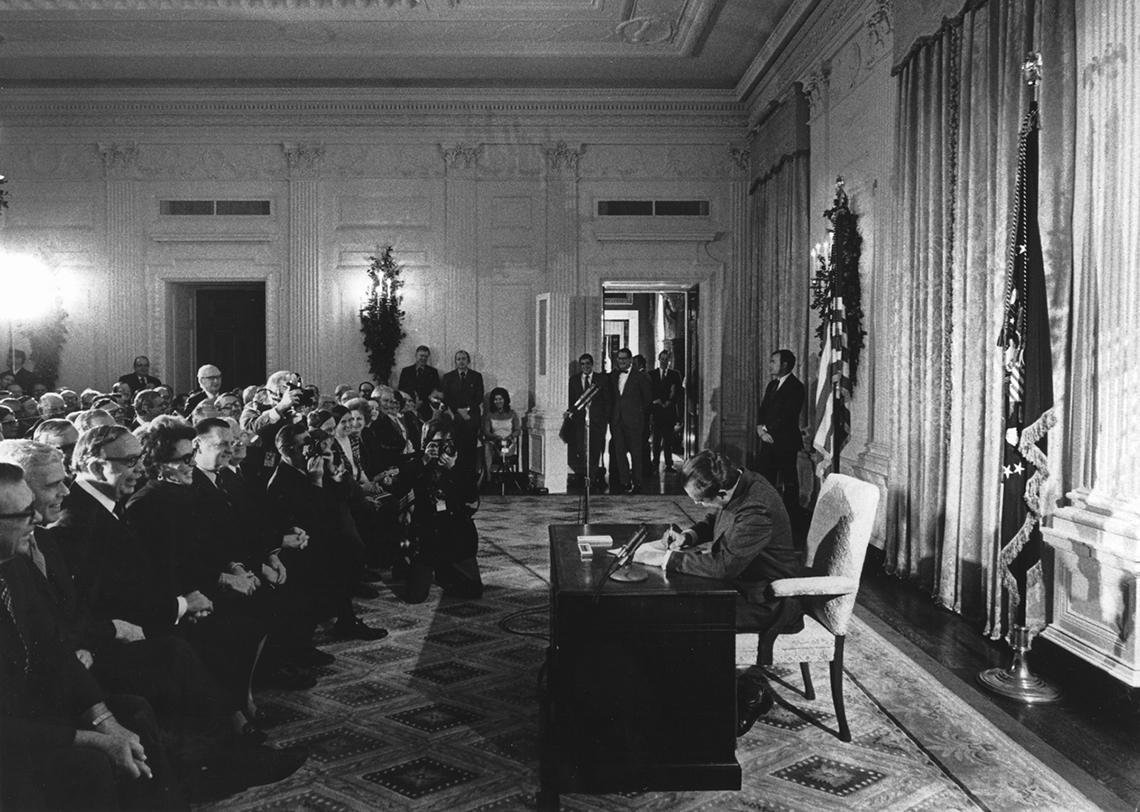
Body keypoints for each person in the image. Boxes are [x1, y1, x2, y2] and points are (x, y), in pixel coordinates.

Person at [0, 462, 186, 811]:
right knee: (91, 764)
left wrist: (107, 723)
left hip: (33, 718)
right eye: (25, 513)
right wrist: (91, 738)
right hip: (10, 742)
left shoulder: (13, 566)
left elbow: (55, 649)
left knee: (129, 717)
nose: (37, 519)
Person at [633, 451, 806, 736]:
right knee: (676, 607)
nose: (698, 505)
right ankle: (685, 694)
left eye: (700, 500)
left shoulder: (757, 507)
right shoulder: (739, 482)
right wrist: (688, 536)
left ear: (722, 492)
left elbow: (723, 566)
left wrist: (664, 559)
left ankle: (748, 694)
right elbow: (718, 517)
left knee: (689, 618)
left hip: (768, 598)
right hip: (744, 583)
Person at [401, 416, 483, 603]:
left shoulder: (459, 463)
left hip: (454, 530)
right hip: (426, 532)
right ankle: (413, 566)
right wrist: (424, 461)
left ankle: (445, 569)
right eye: (436, 443)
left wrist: (452, 469)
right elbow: (402, 486)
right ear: (426, 442)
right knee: (415, 597)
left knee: (472, 591)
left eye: (447, 442)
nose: (442, 448)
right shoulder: (418, 462)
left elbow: (470, 497)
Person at [755, 349, 806, 507]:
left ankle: (790, 515)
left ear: (784, 365)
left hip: (785, 441)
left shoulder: (796, 387)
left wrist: (766, 430)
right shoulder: (772, 385)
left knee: (789, 481)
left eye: (773, 361)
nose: (770, 365)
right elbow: (763, 409)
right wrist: (760, 428)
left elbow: (787, 416)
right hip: (767, 439)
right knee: (765, 479)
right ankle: (767, 511)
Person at [439, 349, 484, 497]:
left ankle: (470, 492)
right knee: (456, 455)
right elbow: (446, 397)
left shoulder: (476, 377)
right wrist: (458, 410)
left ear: (468, 361)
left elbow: (478, 397)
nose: (461, 361)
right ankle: (456, 490)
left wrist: (467, 410)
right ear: (455, 361)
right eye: (458, 359)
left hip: (471, 420)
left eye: (464, 358)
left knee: (470, 456)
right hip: (455, 421)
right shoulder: (448, 377)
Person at [609, 347, 652, 494]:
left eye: (624, 359)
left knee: (636, 453)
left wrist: (636, 414)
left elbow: (647, 400)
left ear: (630, 360)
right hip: (617, 420)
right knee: (619, 453)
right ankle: (625, 482)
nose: (621, 361)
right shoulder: (613, 376)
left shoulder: (640, 377)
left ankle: (637, 483)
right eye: (619, 358)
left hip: (634, 421)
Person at [566, 353, 610, 491]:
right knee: (581, 449)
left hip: (597, 422)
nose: (585, 366)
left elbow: (607, 401)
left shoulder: (600, 379)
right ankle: (583, 476)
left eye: (588, 363)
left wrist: (604, 419)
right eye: (582, 364)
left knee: (595, 450)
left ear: (592, 364)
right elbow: (571, 401)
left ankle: (593, 477)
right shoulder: (573, 380)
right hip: (579, 422)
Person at [649, 350, 684, 472]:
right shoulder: (652, 374)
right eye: (662, 359)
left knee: (668, 440)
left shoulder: (675, 374)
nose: (664, 361)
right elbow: (649, 391)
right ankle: (655, 463)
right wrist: (656, 401)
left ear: (669, 361)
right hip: (657, 412)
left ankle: (669, 464)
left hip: (669, 412)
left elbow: (679, 392)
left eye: (666, 359)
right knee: (656, 440)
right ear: (659, 360)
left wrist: (670, 402)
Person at [482, 387, 521, 478]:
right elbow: (486, 431)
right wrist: (495, 437)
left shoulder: (512, 414)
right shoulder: (489, 415)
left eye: (500, 399)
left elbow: (518, 430)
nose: (498, 402)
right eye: (495, 399)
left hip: (508, 442)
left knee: (504, 449)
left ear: (505, 400)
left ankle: (506, 476)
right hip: (495, 443)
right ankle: (488, 476)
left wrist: (510, 437)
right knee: (487, 445)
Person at [397, 345, 441, 421]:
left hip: (427, 408)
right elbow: (401, 390)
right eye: (421, 356)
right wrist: (412, 402)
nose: (423, 358)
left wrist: (423, 401)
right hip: (409, 408)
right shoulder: (406, 371)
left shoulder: (433, 372)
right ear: (416, 355)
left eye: (426, 356)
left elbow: (436, 391)